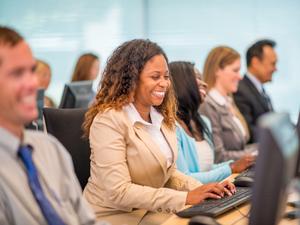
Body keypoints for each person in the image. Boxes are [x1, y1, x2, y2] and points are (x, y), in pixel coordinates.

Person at [82, 39, 236, 225]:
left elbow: (169, 174)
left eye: (166, 76)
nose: (164, 84)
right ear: (131, 79)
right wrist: (185, 198)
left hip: (150, 211)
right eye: (155, 77)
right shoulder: (109, 121)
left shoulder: (161, 117)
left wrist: (206, 189)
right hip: (114, 217)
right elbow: (118, 192)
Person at [0, 26, 99, 225]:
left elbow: (87, 221)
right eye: (17, 74)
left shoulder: (50, 149)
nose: (33, 83)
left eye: (31, 71)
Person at [169, 61, 254, 183]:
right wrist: (231, 168)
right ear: (182, 84)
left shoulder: (203, 122)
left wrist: (236, 164)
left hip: (209, 192)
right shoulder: (172, 128)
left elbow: (207, 168)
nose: (205, 84)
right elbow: (185, 179)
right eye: (197, 78)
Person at [199, 46, 257, 163]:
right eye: (235, 70)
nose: (240, 76)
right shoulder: (208, 105)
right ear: (217, 71)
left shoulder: (228, 101)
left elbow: (242, 147)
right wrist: (255, 154)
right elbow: (219, 156)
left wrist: (261, 148)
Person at [233, 39, 277, 143]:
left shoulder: (260, 90)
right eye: (272, 64)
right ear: (256, 62)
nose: (275, 69)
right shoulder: (240, 91)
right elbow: (249, 131)